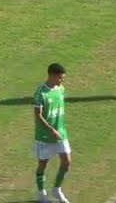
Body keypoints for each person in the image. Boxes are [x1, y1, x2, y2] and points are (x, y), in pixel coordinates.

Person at [34, 63, 71, 203]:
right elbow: (38, 115)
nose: (61, 80)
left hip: (61, 133)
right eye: (60, 77)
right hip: (44, 135)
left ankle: (56, 190)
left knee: (67, 161)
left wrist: (58, 129)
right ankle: (41, 193)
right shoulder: (40, 93)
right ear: (52, 75)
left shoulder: (60, 89)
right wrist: (50, 130)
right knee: (43, 164)